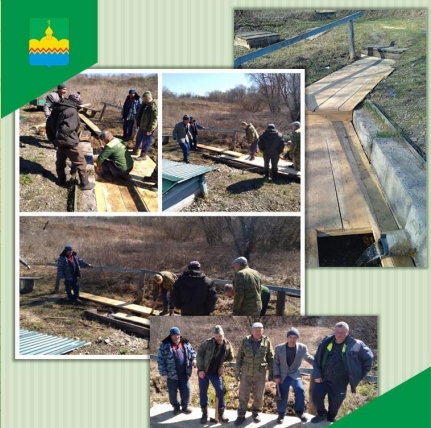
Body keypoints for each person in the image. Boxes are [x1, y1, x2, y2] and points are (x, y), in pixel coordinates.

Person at [311, 322, 374, 423]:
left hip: (340, 381)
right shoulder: (326, 341)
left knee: (335, 403)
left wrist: (359, 374)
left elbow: (369, 358)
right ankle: (322, 414)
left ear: (347, 332)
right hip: (323, 378)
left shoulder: (356, 344)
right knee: (316, 396)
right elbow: (317, 358)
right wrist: (317, 374)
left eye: (342, 332)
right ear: (334, 331)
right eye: (337, 331)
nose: (339, 334)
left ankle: (331, 418)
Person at [48, 93, 95, 190]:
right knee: (81, 163)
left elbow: (49, 124)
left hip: (59, 142)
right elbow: (66, 129)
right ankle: (85, 184)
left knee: (60, 162)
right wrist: (61, 140)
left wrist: (53, 140)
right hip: (69, 143)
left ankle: (61, 180)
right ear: (76, 103)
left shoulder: (58, 107)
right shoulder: (72, 111)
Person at [235, 322, 274, 426]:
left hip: (260, 374)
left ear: (263, 330)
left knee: (259, 395)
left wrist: (271, 373)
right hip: (246, 373)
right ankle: (241, 415)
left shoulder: (267, 341)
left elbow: (271, 357)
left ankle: (255, 412)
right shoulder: (245, 340)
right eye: (256, 330)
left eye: (260, 330)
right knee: (243, 394)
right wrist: (237, 371)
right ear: (252, 331)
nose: (258, 332)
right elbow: (239, 357)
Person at [273, 327, 314, 424]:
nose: (292, 339)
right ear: (287, 337)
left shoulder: (302, 348)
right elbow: (275, 363)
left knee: (300, 390)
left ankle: (300, 412)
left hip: (294, 374)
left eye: (295, 337)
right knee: (282, 395)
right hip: (282, 375)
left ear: (297, 338)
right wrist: (276, 375)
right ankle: (281, 415)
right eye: (290, 337)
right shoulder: (279, 348)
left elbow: (308, 358)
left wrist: (318, 364)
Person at [197, 325, 234, 424]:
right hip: (204, 372)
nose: (219, 338)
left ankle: (220, 414)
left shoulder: (227, 345)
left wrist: (223, 365)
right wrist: (200, 369)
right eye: (217, 336)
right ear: (214, 336)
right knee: (203, 392)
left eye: (221, 336)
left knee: (220, 391)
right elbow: (199, 354)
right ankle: (204, 414)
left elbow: (231, 358)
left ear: (223, 335)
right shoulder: (207, 343)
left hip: (216, 373)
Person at [157, 326, 197, 415]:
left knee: (186, 390)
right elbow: (160, 360)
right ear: (170, 335)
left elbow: (193, 352)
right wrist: (163, 373)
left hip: (184, 373)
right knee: (172, 393)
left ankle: (185, 406)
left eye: (178, 334)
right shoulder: (165, 346)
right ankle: (176, 407)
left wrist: (194, 359)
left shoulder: (186, 343)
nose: (176, 337)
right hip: (171, 374)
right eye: (174, 335)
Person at [134, 91, 158, 160]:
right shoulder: (144, 104)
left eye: (144, 99)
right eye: (143, 99)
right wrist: (137, 123)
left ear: (148, 98)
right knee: (138, 138)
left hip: (148, 128)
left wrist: (150, 129)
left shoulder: (153, 106)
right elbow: (140, 114)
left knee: (146, 142)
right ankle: (136, 151)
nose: (143, 100)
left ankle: (143, 155)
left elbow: (155, 119)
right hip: (142, 126)